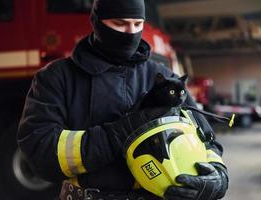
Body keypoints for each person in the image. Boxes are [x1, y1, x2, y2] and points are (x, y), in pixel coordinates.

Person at [17, 0, 228, 199]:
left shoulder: (165, 79)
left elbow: (206, 140)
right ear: (96, 21)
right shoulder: (56, 77)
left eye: (138, 24)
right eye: (120, 24)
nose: (131, 32)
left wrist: (218, 176)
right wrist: (115, 135)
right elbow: (39, 150)